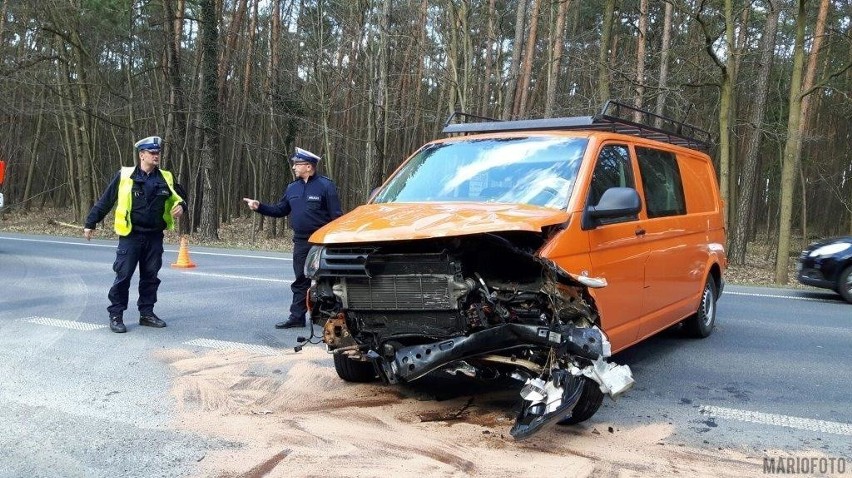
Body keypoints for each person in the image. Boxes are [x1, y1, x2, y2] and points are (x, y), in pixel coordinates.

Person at [83, 135, 187, 333]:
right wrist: (91, 222)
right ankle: (116, 315)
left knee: (151, 277)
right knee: (123, 277)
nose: (157, 156)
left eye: (158, 153)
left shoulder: (166, 177)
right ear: (142, 155)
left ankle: (146, 314)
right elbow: (106, 200)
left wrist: (182, 206)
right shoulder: (125, 176)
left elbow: (182, 197)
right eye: (152, 153)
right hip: (131, 236)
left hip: (154, 236)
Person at [243, 147, 343, 329]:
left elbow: (336, 215)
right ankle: (297, 317)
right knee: (300, 280)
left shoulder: (326, 186)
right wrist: (260, 207)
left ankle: (335, 319)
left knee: (329, 279)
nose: (294, 168)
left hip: (322, 242)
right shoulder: (292, 188)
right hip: (301, 241)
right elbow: (280, 210)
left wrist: (336, 241)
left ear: (309, 166)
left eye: (297, 164)